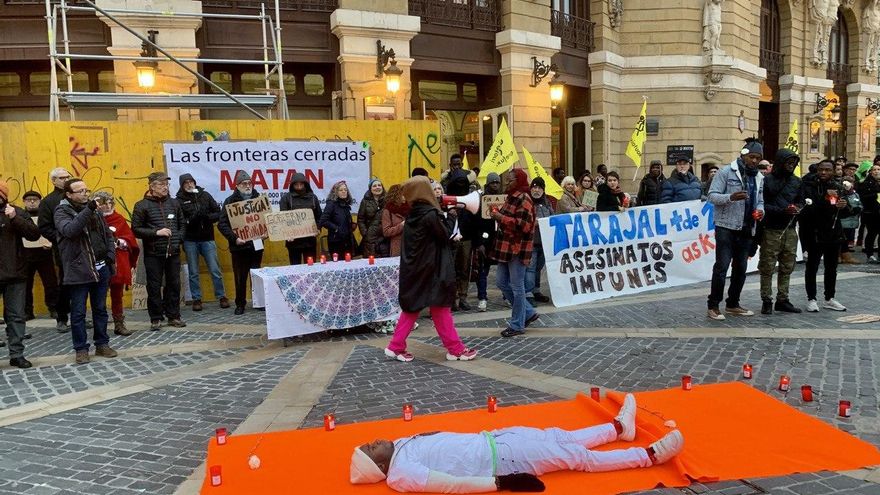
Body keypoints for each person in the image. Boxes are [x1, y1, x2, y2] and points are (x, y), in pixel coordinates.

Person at [350, 394, 685, 493]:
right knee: (576, 457)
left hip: (498, 441)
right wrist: (500, 484)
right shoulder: (402, 472)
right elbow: (450, 485)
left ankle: (616, 429)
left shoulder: (400, 445)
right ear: (380, 466)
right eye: (370, 449)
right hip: (504, 461)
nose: (373, 441)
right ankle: (647, 455)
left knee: (558, 437)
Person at [383, 176, 477, 362]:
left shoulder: (414, 214)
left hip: (418, 269)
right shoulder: (429, 214)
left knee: (413, 308)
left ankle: (395, 346)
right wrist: (451, 214)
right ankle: (455, 349)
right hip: (432, 270)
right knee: (441, 308)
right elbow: (445, 235)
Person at [54, 178, 118, 365]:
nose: (85, 193)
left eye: (86, 189)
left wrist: (110, 256)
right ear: (69, 194)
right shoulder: (61, 211)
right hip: (79, 268)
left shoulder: (94, 211)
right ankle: (81, 349)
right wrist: (89, 210)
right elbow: (70, 230)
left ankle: (102, 343)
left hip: (100, 266)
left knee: (100, 308)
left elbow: (107, 234)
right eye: (80, 191)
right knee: (79, 311)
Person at [706, 138, 765, 320]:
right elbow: (712, 196)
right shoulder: (726, 172)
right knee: (722, 267)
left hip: (747, 227)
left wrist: (760, 211)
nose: (754, 161)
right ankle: (713, 305)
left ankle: (733, 303)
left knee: (741, 268)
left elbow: (760, 200)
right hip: (726, 226)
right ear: (743, 155)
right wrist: (731, 197)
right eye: (752, 157)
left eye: (758, 158)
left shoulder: (759, 177)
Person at [131, 172, 187, 330]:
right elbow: (135, 229)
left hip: (173, 252)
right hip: (153, 253)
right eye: (161, 184)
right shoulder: (141, 205)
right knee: (154, 286)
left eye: (166, 184)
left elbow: (182, 224)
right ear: (152, 187)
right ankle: (155, 318)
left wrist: (178, 238)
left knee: (174, 284)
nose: (165, 187)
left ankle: (174, 315)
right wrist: (156, 232)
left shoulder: (174, 203)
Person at [491, 168, 538, 338]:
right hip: (506, 248)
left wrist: (500, 218)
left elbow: (523, 226)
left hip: (517, 249)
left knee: (518, 288)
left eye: (510, 180)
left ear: (518, 181)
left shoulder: (524, 199)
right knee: (502, 282)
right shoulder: (512, 196)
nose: (507, 182)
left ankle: (517, 324)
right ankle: (529, 312)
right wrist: (497, 212)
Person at [801, 160, 853, 312]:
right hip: (815, 233)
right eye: (821, 169)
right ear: (817, 170)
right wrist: (825, 199)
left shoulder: (837, 186)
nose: (824, 172)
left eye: (827, 170)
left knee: (832, 268)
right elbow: (808, 210)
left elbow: (846, 210)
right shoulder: (809, 185)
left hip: (833, 233)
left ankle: (829, 298)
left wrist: (844, 206)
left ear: (833, 171)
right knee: (812, 266)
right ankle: (811, 298)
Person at [0, 180, 42, 368]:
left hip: (15, 273)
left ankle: (16, 354)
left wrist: (15, 218)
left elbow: (34, 234)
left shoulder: (16, 212)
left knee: (16, 315)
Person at [758, 148, 803, 315]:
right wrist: (782, 210)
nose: (791, 166)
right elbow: (762, 205)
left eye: (794, 163)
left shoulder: (797, 182)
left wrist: (797, 208)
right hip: (771, 229)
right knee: (767, 266)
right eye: (788, 162)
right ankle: (766, 299)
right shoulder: (766, 181)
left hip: (790, 229)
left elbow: (801, 201)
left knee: (787, 265)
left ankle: (783, 299)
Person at [176, 173, 229, 311]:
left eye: (191, 182)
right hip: (190, 240)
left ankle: (221, 296)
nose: (189, 184)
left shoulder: (205, 196)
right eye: (186, 183)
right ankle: (196, 299)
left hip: (207, 238)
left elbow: (218, 213)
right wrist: (191, 219)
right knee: (193, 271)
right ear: (182, 185)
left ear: (195, 183)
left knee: (215, 269)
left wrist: (207, 217)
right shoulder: (179, 200)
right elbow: (179, 221)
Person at [218, 171, 265, 315]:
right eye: (244, 184)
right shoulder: (230, 201)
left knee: (257, 275)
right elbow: (222, 224)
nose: (247, 186)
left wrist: (266, 232)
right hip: (239, 246)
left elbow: (267, 219)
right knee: (240, 276)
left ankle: (259, 302)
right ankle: (240, 303)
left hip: (257, 244)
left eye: (249, 183)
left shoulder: (259, 199)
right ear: (237, 186)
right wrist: (234, 238)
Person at [94, 192, 139, 336]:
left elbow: (130, 239)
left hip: (117, 261)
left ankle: (119, 323)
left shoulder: (118, 219)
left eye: (110, 203)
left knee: (117, 294)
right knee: (98, 296)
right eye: (104, 204)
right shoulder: (92, 219)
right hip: (99, 261)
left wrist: (120, 241)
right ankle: (99, 327)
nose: (107, 207)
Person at [38, 167, 73, 333]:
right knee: (65, 283)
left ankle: (79, 315)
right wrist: (61, 238)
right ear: (53, 181)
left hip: (82, 247)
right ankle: (62, 317)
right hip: (63, 248)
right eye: (61, 178)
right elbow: (44, 227)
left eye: (68, 177)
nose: (65, 180)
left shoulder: (76, 196)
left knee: (84, 282)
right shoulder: (48, 201)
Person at [21, 191, 59, 321]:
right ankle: (27, 311)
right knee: (26, 284)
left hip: (44, 253)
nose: (32, 202)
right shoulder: (20, 215)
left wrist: (51, 244)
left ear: (40, 201)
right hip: (26, 254)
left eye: (35, 199)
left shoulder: (45, 214)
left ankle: (54, 308)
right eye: (29, 200)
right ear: (24, 202)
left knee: (51, 283)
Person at [445, 169, 477, 311]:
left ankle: (462, 297)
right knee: (450, 270)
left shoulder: (471, 197)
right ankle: (452, 298)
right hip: (451, 239)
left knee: (464, 269)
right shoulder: (447, 197)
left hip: (467, 237)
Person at [474, 173, 502, 312]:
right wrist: (480, 243)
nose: (495, 185)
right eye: (493, 182)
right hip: (486, 239)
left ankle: (506, 295)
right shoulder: (481, 199)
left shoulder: (504, 199)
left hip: (500, 239)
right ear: (488, 184)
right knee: (483, 270)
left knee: (505, 268)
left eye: (497, 182)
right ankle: (482, 298)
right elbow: (477, 223)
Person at [280, 172, 322, 265]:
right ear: (292, 185)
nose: (299, 186)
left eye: (301, 184)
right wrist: (286, 235)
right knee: (295, 269)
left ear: (305, 184)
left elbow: (319, 216)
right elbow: (282, 220)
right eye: (296, 184)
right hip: (293, 241)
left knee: (311, 268)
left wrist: (318, 228)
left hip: (310, 240)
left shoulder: (313, 198)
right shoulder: (286, 198)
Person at [526, 178, 553, 305]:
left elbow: (553, 218)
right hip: (531, 241)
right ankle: (528, 293)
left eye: (539, 188)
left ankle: (536, 290)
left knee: (538, 268)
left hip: (544, 242)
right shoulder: (527, 202)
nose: (536, 190)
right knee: (530, 269)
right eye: (534, 188)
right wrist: (533, 222)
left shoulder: (547, 203)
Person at [318, 181, 356, 257]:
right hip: (336, 241)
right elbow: (324, 220)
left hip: (347, 240)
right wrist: (336, 229)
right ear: (335, 192)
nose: (344, 192)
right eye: (341, 190)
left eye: (345, 190)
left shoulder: (345, 204)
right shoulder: (331, 204)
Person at [357, 178, 389, 258]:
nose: (377, 187)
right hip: (370, 239)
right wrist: (365, 233)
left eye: (379, 185)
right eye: (374, 186)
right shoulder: (365, 201)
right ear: (370, 189)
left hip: (385, 237)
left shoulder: (388, 200)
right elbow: (360, 219)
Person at [858, 163, 880, 263]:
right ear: (870, 172)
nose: (876, 171)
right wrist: (875, 195)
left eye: (878, 169)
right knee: (872, 233)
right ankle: (869, 254)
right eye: (874, 169)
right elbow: (862, 197)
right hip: (870, 212)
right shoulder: (865, 183)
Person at [382, 184, 407, 257]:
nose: (406, 196)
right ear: (396, 195)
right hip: (397, 246)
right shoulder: (388, 211)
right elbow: (386, 232)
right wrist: (401, 225)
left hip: (411, 244)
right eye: (403, 194)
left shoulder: (410, 208)